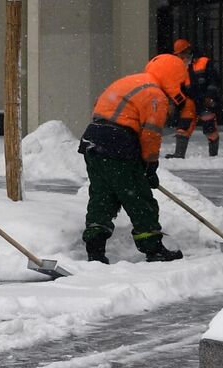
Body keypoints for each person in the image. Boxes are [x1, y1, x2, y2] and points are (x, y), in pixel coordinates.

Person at [78, 54, 190, 264]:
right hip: (117, 143)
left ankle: (95, 249)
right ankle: (153, 248)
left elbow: (101, 108)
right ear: (174, 77)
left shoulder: (129, 81)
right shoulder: (155, 95)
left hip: (92, 140)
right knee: (138, 198)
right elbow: (151, 133)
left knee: (103, 196)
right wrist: (150, 164)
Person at [169, 52, 220, 158]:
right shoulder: (179, 67)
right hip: (190, 100)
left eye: (182, 55)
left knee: (209, 127)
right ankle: (179, 155)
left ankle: (214, 155)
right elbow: (177, 87)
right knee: (183, 127)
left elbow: (213, 81)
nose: (181, 58)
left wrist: (210, 96)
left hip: (204, 99)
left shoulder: (203, 62)